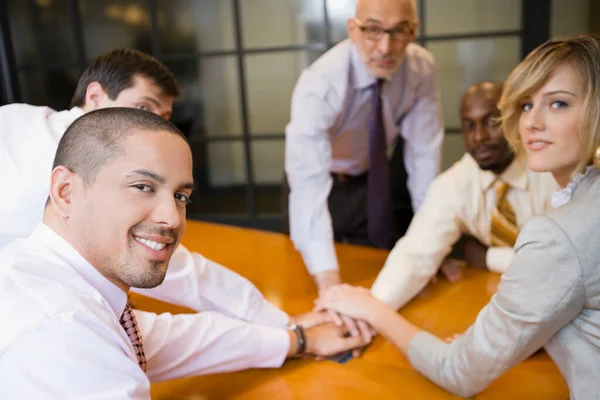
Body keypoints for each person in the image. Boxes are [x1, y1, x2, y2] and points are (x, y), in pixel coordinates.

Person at [0, 108, 367, 398]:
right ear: (65, 191)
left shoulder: (54, 282)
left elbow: (170, 339)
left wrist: (298, 339)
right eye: (143, 186)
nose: (172, 217)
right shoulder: (61, 332)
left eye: (181, 196)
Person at [316, 34, 600, 398]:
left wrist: (372, 310)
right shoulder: (456, 183)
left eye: (558, 104)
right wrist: (363, 311)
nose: (532, 122)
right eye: (527, 105)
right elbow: (415, 254)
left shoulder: (558, 224)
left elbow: (458, 372)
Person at [0, 48, 326, 331]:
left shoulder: (17, 118)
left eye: (165, 117)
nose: (157, 127)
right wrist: (280, 322)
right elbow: (178, 269)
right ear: (95, 96)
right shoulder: (87, 165)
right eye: (143, 109)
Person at [284, 0, 443, 292]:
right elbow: (308, 183)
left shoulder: (421, 69)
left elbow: (424, 159)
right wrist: (328, 281)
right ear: (352, 30)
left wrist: (430, 247)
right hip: (318, 179)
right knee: (307, 276)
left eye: (398, 31)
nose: (385, 47)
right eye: (372, 30)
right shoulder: (319, 83)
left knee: (372, 270)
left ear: (413, 31)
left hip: (370, 181)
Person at [368, 81, 557, 310]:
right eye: (469, 126)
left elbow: (560, 262)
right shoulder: (453, 184)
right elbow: (414, 256)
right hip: (497, 300)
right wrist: (370, 313)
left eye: (491, 122)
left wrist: (486, 257)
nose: (479, 137)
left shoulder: (554, 171)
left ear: (515, 120)